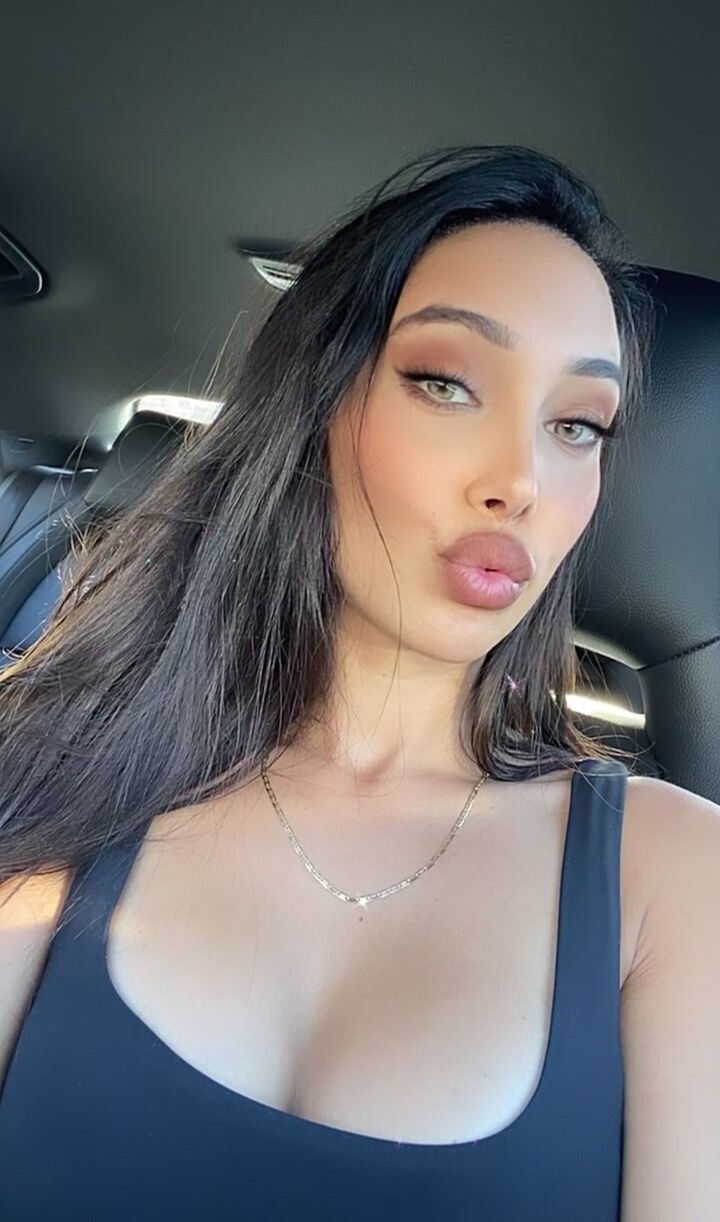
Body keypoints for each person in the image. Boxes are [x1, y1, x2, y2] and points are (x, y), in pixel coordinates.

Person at [0, 144, 718, 1221]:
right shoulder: (61, 762)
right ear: (316, 404)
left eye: (577, 426)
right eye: (446, 383)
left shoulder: (674, 875)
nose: (520, 481)